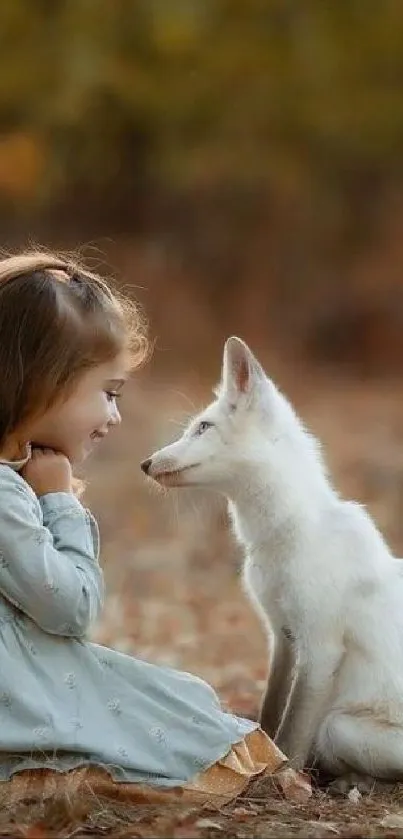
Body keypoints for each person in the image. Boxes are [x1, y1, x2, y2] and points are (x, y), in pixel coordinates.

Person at [0, 251, 303, 806]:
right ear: (39, 383)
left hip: (24, 677)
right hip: (17, 697)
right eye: (108, 393)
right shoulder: (5, 495)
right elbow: (72, 609)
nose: (114, 417)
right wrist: (59, 503)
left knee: (187, 697)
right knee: (180, 723)